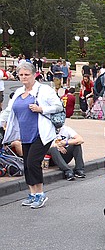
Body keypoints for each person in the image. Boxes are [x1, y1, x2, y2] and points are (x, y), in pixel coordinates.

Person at [0, 61, 63, 208]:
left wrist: (41, 109)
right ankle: (32, 194)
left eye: (27, 74)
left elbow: (58, 106)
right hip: (25, 134)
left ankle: (40, 194)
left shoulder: (44, 90)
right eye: (21, 75)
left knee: (33, 163)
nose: (24, 77)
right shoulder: (18, 93)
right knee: (27, 165)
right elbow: (9, 112)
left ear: (34, 75)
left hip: (41, 133)